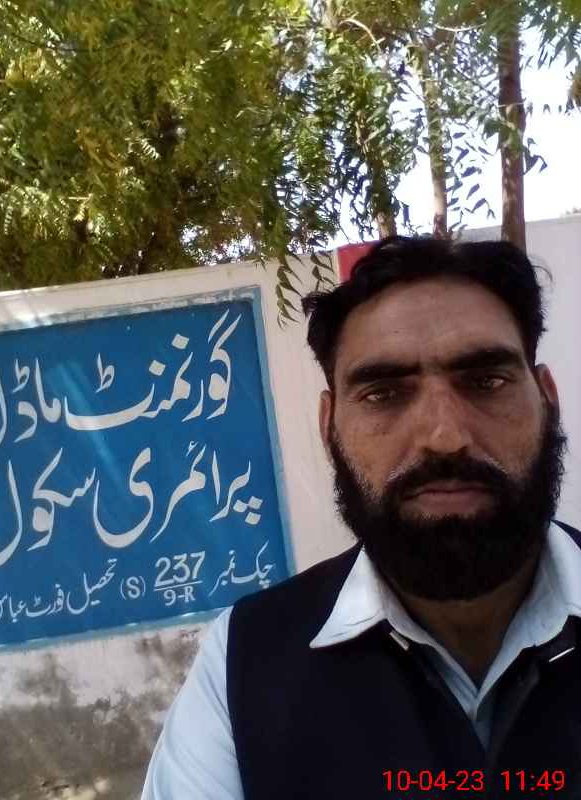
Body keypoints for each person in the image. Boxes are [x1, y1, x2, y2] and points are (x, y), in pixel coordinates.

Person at [141, 236, 581, 800]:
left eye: (486, 382)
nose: (445, 436)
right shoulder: (245, 661)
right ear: (329, 429)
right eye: (384, 393)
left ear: (548, 398)